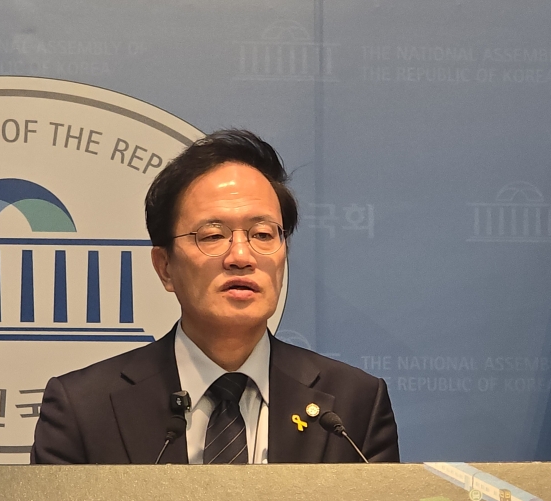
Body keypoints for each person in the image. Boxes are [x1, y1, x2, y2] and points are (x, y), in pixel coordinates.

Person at [31, 129, 398, 465]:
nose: (241, 256)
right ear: (165, 267)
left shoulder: (353, 407)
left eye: (263, 234)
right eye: (212, 236)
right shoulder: (84, 409)